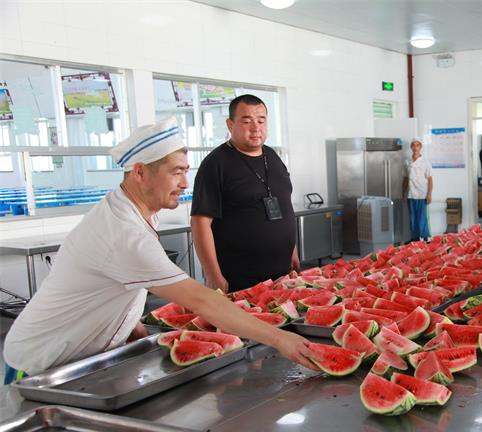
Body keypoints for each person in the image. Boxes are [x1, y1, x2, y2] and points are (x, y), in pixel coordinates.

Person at [3, 117, 316, 383]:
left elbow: (116, 284)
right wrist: (280, 339)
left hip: (85, 358)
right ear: (140, 172)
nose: (185, 183)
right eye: (176, 172)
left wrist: (130, 325)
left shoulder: (134, 212)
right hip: (39, 366)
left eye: (186, 171)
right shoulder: (123, 233)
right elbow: (201, 300)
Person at [191, 94, 299, 293]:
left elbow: (284, 205)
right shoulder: (215, 164)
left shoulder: (272, 156)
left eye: (261, 120)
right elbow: (200, 222)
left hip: (282, 275)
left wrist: (292, 250)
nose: (256, 128)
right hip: (239, 279)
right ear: (230, 124)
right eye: (247, 121)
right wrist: (212, 274)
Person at [402, 138, 433, 241]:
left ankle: (425, 239)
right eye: (413, 145)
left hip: (422, 194)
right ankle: (415, 239)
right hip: (411, 194)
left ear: (421, 147)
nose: (415, 147)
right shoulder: (407, 162)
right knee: (412, 218)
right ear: (411, 147)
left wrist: (429, 194)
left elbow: (430, 179)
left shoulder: (425, 162)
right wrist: (403, 193)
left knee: (422, 218)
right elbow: (405, 179)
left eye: (417, 145)